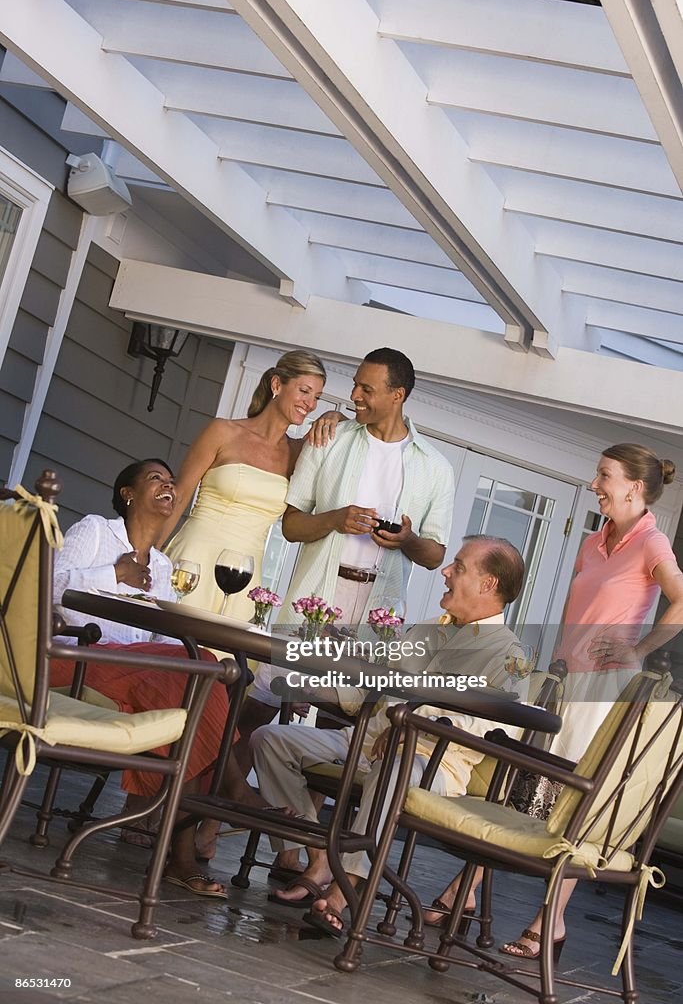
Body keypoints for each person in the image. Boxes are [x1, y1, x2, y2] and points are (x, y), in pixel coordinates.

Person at [425, 443, 683, 959]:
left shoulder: (652, 542)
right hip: (563, 685)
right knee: (518, 789)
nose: (595, 484)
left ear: (634, 486)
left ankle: (550, 920)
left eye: (604, 476)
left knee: (572, 808)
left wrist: (637, 649)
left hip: (602, 696)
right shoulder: (594, 541)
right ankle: (467, 888)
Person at [252, 536, 527, 932]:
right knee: (270, 739)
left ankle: (346, 891)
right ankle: (318, 861)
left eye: (459, 567)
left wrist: (408, 727)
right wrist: (312, 684)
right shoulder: (427, 629)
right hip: (363, 742)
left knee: (395, 769)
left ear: (488, 584)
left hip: (431, 764)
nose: (446, 573)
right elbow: (371, 688)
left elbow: (490, 729)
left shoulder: (510, 655)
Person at [51, 459, 280, 898]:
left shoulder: (162, 565)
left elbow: (167, 635)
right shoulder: (96, 531)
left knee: (199, 675)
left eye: (173, 481)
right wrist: (114, 574)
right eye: (156, 478)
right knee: (196, 675)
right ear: (128, 494)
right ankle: (229, 792)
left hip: (134, 674)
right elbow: (52, 586)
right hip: (78, 661)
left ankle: (183, 852)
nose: (169, 485)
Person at [248, 347, 456, 718]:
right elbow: (291, 525)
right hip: (315, 595)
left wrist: (407, 540)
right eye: (356, 385)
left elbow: (436, 556)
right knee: (260, 703)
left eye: (366, 389)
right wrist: (334, 520)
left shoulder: (436, 468)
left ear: (398, 395)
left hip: (378, 610)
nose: (354, 396)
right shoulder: (328, 438)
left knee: (347, 720)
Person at [162, 351, 328, 620]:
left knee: (227, 659)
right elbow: (178, 498)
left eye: (317, 398)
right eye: (304, 391)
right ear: (277, 385)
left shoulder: (298, 453)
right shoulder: (222, 432)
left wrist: (332, 415)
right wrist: (146, 558)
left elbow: (350, 429)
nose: (310, 404)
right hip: (194, 561)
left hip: (246, 577)